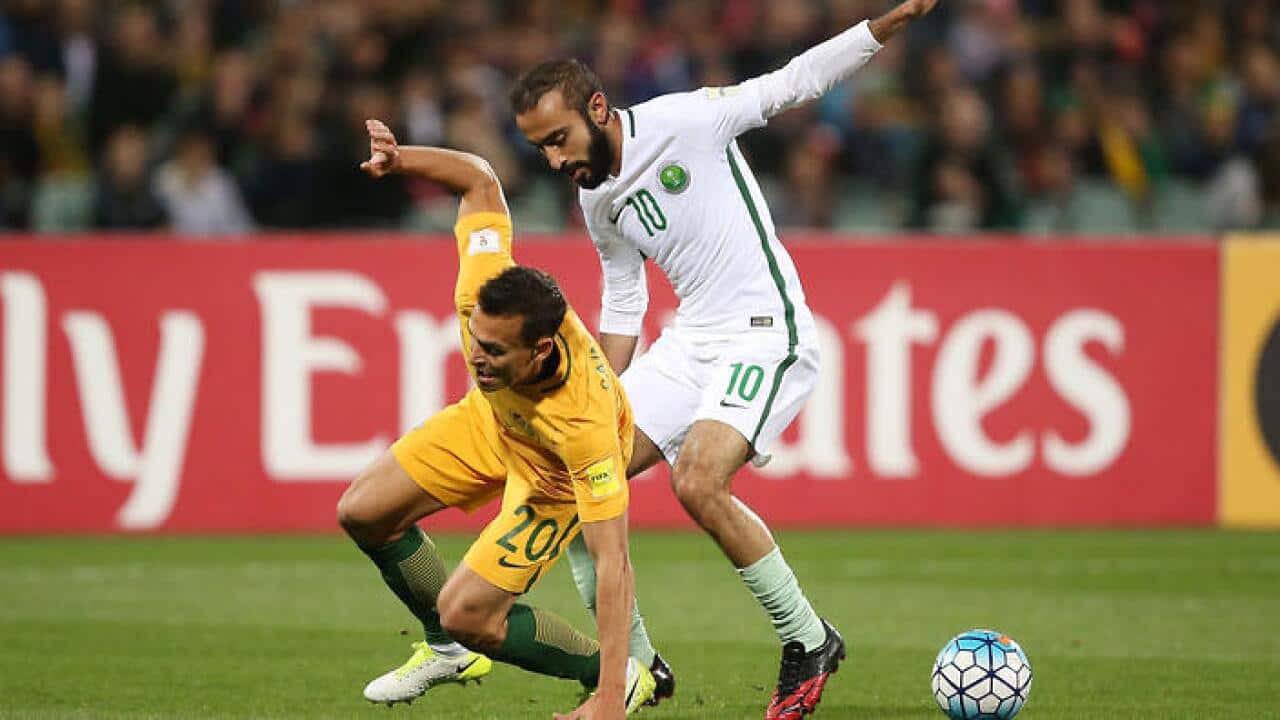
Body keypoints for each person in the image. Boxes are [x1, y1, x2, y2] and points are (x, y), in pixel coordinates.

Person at [509, 2, 940, 717]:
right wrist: (596, 403)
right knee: (572, 479)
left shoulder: (686, 120)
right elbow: (623, 301)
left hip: (765, 330)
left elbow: (789, 84)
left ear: (596, 106)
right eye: (540, 151)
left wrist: (881, 27)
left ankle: (808, 639)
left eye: (559, 138)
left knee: (697, 480)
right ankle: (639, 666)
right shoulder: (597, 199)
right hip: (690, 342)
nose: (555, 160)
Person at [337, 119, 655, 718]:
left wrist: (609, 695)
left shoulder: (584, 425)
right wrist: (401, 159)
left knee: (471, 613)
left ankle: (618, 678)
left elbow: (613, 562)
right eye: (474, 342)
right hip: (492, 421)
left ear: (539, 351)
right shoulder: (484, 289)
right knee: (364, 512)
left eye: (494, 351)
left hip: (552, 473)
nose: (476, 356)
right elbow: (481, 181)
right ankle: (447, 650)